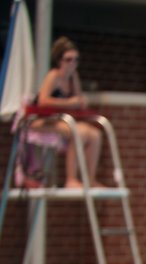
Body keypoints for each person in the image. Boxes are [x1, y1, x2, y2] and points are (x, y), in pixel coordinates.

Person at [33, 37, 104, 189]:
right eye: (69, 59)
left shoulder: (73, 77)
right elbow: (43, 101)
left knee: (95, 135)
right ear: (59, 60)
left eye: (76, 60)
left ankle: (90, 179)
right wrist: (68, 103)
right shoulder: (54, 76)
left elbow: (77, 101)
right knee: (78, 132)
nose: (73, 64)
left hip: (61, 121)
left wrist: (81, 102)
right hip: (41, 121)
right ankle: (70, 179)